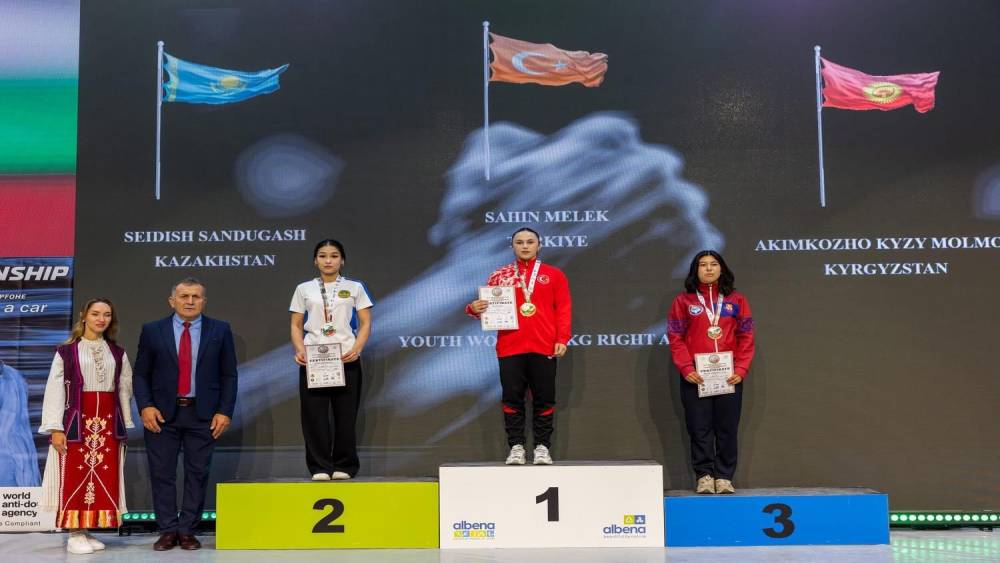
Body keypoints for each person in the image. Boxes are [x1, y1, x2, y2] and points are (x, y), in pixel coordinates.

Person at [133, 278, 238, 551]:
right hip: (161, 415)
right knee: (162, 474)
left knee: (197, 474)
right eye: (184, 296)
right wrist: (145, 406)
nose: (190, 301)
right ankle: (168, 530)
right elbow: (141, 374)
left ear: (204, 301)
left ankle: (188, 530)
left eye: (195, 296)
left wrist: (224, 411)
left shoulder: (220, 329)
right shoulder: (152, 330)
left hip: (203, 415)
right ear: (172, 301)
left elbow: (229, 375)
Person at [466, 227, 571, 465]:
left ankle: (542, 447)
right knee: (512, 398)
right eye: (519, 242)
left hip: (544, 346)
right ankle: (516, 447)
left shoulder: (553, 275)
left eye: (530, 242)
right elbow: (488, 311)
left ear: (539, 245)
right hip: (510, 346)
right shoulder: (500, 276)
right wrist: (474, 308)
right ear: (512, 246)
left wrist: (562, 339)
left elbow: (563, 309)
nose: (525, 246)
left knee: (544, 398)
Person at [38, 299, 134, 554]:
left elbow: (124, 388)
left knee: (102, 476)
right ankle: (74, 532)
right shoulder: (66, 352)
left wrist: (124, 421)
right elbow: (55, 389)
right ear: (84, 316)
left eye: (107, 314)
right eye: (95, 313)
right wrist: (56, 428)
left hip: (107, 423)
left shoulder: (117, 352)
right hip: (76, 423)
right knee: (75, 476)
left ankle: (86, 529)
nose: (101, 319)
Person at [667, 251, 755, 494]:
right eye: (703, 265)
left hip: (729, 375)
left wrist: (741, 368)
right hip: (696, 376)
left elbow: (746, 335)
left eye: (714, 264)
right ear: (695, 270)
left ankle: (724, 476)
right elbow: (675, 337)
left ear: (721, 268)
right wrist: (686, 367)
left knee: (727, 428)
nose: (708, 269)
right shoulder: (683, 301)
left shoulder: (737, 301)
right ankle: (704, 475)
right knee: (699, 427)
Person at [290, 239, 373, 480]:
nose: (328, 260)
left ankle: (345, 465)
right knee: (314, 416)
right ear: (315, 260)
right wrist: (300, 350)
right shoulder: (304, 289)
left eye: (334, 256)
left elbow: (366, 322)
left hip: (346, 358)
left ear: (342, 260)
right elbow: (296, 325)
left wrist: (357, 348)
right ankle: (319, 467)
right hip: (314, 360)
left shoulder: (354, 287)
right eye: (323, 256)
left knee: (345, 415)